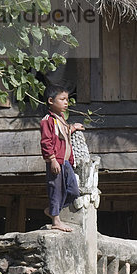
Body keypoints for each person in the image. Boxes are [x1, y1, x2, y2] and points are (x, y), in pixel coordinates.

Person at [40, 85, 84, 232]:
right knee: (56, 190)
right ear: (51, 101)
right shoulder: (48, 120)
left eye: (67, 100)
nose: (66, 102)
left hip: (65, 163)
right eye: (62, 99)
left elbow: (64, 136)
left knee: (73, 191)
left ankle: (52, 210)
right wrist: (52, 159)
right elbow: (46, 141)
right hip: (56, 162)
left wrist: (72, 128)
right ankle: (56, 220)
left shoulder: (62, 119)